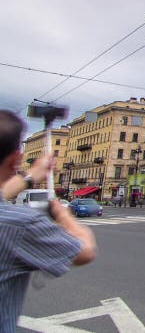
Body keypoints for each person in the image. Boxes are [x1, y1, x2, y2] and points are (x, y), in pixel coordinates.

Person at [0, 110, 97, 331]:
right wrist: (63, 214)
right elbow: (85, 251)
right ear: (16, 159)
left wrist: (31, 176)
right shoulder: (19, 224)